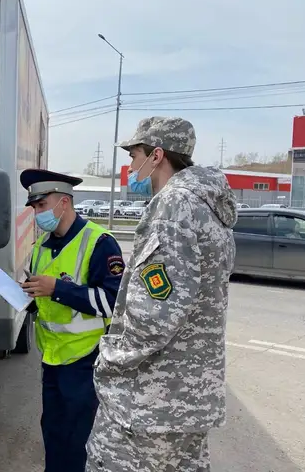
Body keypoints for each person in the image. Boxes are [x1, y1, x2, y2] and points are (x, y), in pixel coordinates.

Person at [86, 117, 238, 472]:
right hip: (188, 397)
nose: (129, 166)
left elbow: (155, 312)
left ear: (156, 156)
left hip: (150, 399)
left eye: (133, 155)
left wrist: (109, 358)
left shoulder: (174, 205)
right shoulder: (207, 206)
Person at [19, 169, 125, 472]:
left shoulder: (100, 242)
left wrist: (58, 289)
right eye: (34, 208)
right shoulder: (40, 247)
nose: (37, 214)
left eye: (41, 206)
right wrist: (29, 297)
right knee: (53, 434)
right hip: (51, 359)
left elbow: (114, 303)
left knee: (79, 440)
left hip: (84, 360)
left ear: (63, 202)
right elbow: (44, 303)